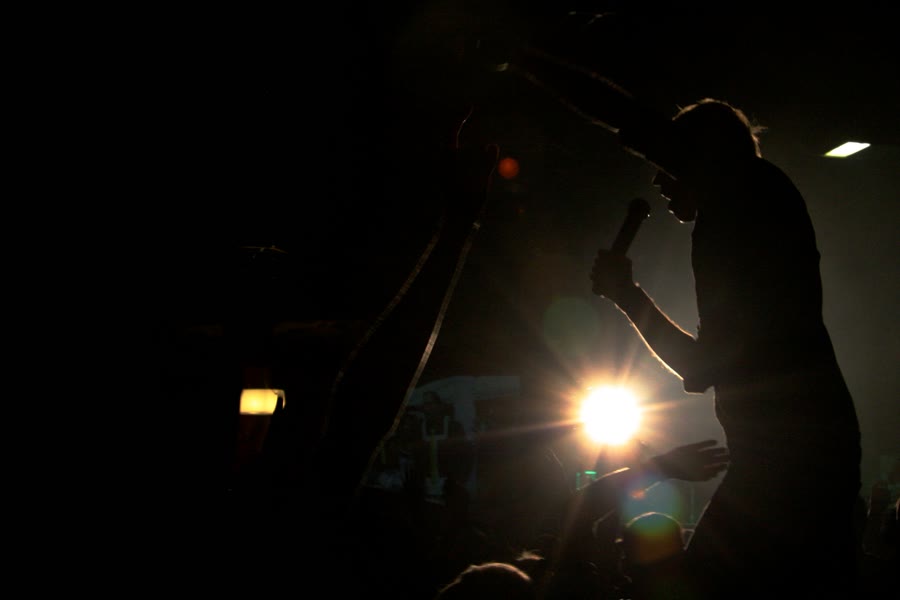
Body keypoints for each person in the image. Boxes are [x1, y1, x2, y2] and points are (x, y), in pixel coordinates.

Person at [589, 98, 862, 599]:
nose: (658, 179)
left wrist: (627, 295)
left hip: (790, 461)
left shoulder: (746, 199)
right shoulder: (747, 211)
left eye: (667, 164)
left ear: (702, 157)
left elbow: (699, 369)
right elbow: (703, 368)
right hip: (803, 452)